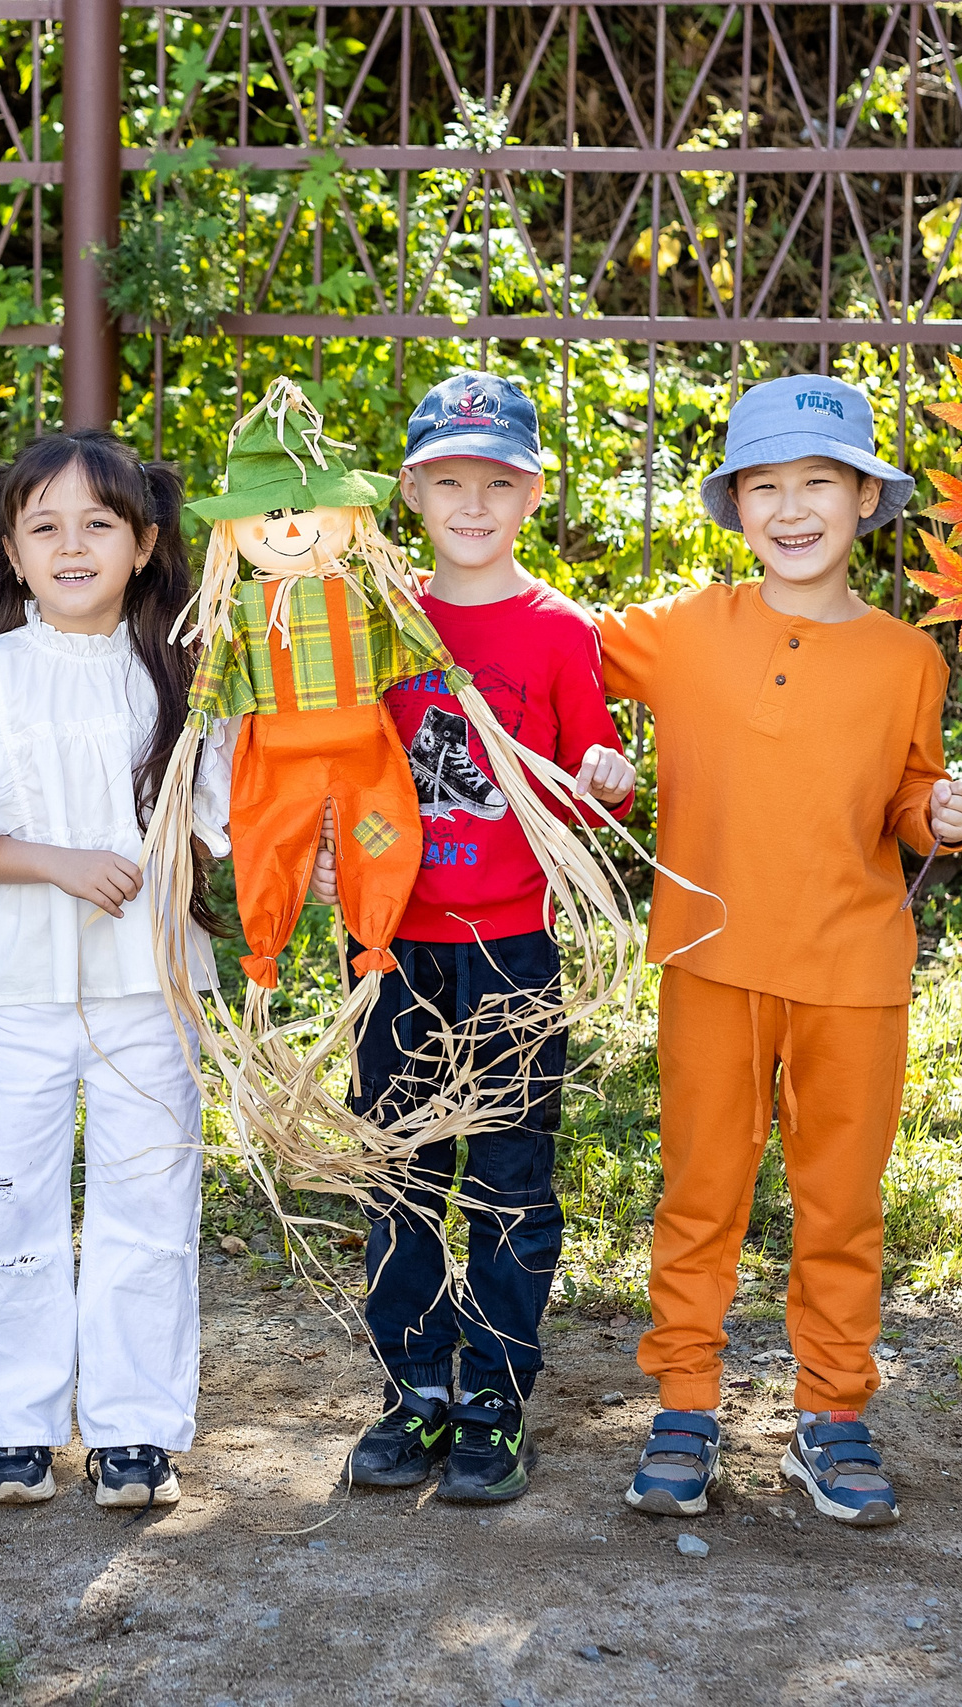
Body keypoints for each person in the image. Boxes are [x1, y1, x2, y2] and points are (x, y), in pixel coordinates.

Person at [598, 373, 962, 1528]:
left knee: (840, 1206)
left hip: (851, 973)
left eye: (817, 482)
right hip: (710, 962)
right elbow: (545, 652)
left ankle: (831, 1416)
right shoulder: (681, 632)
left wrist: (942, 815)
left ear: (864, 498)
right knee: (700, 1193)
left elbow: (909, 798)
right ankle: (684, 1406)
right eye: (762, 486)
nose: (790, 508)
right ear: (735, 507)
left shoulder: (908, 658)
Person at [0, 432, 231, 1511]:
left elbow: (231, 823)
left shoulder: (186, 677)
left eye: (99, 523)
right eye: (44, 525)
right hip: (18, 986)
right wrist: (59, 862)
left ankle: (135, 1429)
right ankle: (14, 1424)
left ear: (144, 544)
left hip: (150, 989)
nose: (72, 544)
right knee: (10, 1202)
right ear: (13, 550)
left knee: (150, 1203)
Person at [329, 373, 637, 1503]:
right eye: (448, 481)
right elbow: (330, 758)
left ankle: (495, 1396)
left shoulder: (558, 631)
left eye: (496, 483)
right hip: (389, 945)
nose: (472, 503)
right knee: (399, 1165)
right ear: (411, 492)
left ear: (532, 494)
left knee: (509, 1172)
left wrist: (608, 774)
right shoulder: (377, 619)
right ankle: (413, 1386)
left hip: (510, 944)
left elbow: (590, 779)